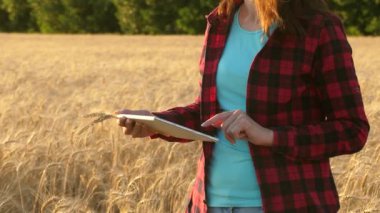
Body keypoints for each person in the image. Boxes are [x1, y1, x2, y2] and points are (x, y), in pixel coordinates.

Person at [116, 0, 370, 212]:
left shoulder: (319, 28)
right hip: (210, 202)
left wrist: (270, 136)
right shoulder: (221, 20)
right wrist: (154, 122)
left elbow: (352, 129)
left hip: (285, 203)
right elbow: (208, 112)